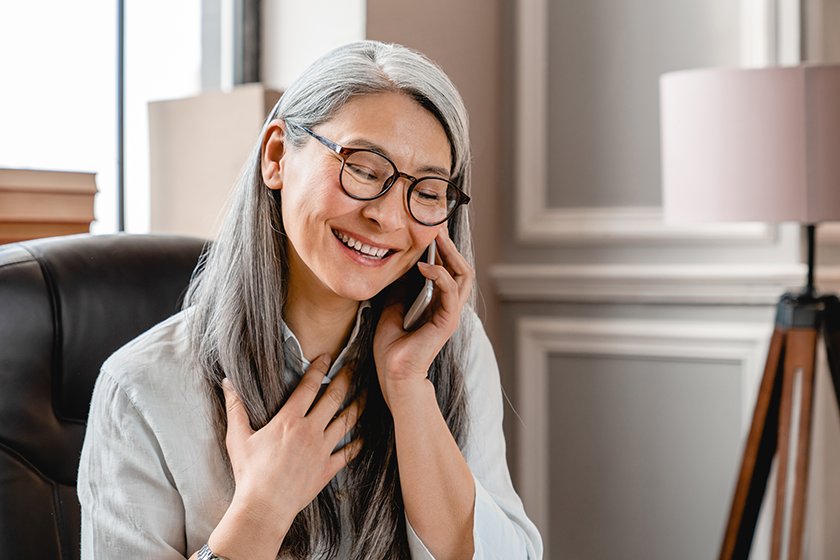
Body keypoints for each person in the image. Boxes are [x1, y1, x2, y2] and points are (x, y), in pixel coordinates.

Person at [78, 40, 542, 560]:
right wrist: (262, 510)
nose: (389, 217)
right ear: (276, 156)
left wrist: (409, 388)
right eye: (364, 169)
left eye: (429, 192)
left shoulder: (452, 345)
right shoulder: (140, 389)